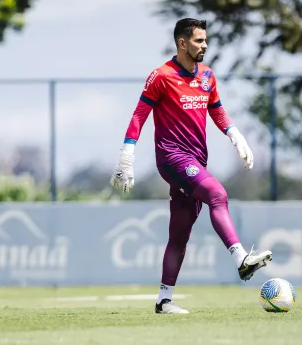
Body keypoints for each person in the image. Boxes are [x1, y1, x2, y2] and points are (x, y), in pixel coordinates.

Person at [110, 18, 273, 314]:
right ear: (182, 43)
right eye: (199, 40)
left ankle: (164, 299)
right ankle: (241, 259)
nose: (205, 45)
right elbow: (138, 116)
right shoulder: (161, 76)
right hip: (172, 157)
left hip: (196, 159)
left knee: (180, 234)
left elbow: (218, 111)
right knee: (217, 194)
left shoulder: (208, 75)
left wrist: (236, 136)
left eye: (205, 40)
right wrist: (126, 158)